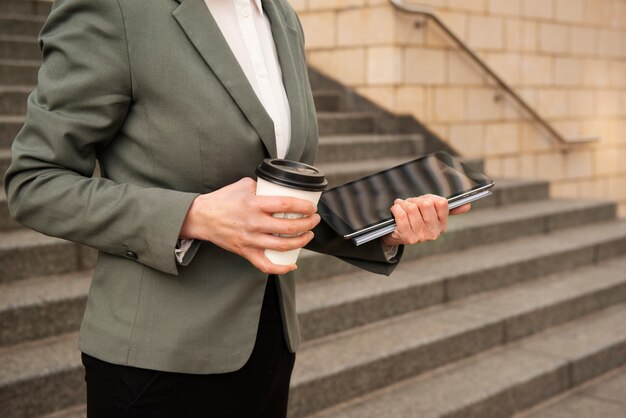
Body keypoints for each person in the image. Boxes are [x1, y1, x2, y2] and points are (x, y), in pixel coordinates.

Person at [3, 0, 471, 416]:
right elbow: (36, 182)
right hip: (156, 361)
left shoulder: (281, 16)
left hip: (268, 347)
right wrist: (194, 216)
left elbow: (278, 198)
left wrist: (383, 229)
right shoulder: (114, 10)